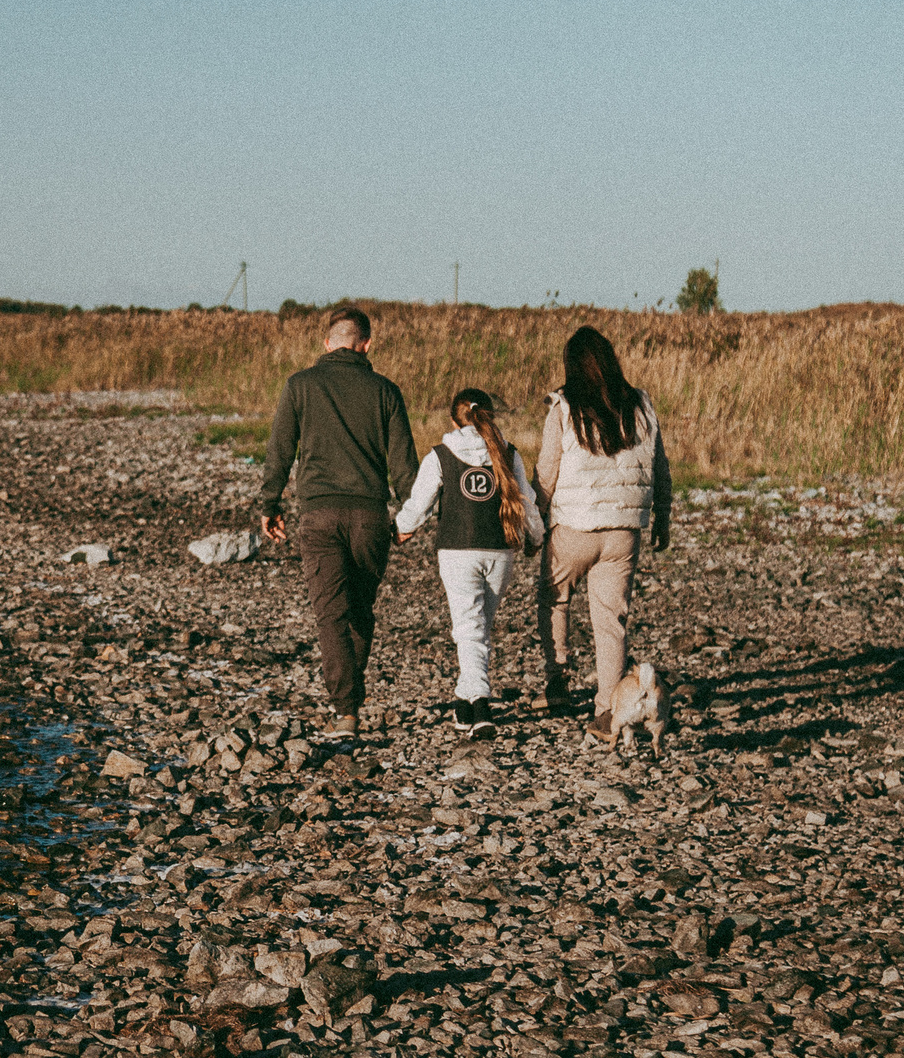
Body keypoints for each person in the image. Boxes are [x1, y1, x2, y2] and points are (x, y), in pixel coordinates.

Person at [258, 306, 417, 738]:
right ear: (367, 344)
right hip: (370, 515)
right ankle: (351, 694)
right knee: (360, 608)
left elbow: (280, 450)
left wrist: (269, 504)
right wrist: (411, 514)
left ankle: (346, 709)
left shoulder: (300, 386)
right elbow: (404, 464)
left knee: (330, 613)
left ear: (327, 344)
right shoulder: (386, 391)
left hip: (318, 513)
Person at [536, 325, 671, 745]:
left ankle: (557, 675)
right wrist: (662, 516)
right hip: (623, 533)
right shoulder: (641, 405)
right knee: (611, 623)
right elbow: (660, 468)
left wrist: (535, 520)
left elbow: (546, 472)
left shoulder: (563, 407)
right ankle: (606, 710)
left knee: (554, 596)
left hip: (573, 528)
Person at [395, 387, 544, 736]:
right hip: (500, 552)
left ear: (452, 420)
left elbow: (420, 503)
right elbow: (527, 502)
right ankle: (464, 703)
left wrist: (401, 529)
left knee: (470, 629)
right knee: (477, 630)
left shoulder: (441, 455)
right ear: (489, 417)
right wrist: (537, 538)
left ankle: (479, 701)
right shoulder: (509, 454)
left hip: (457, 550)